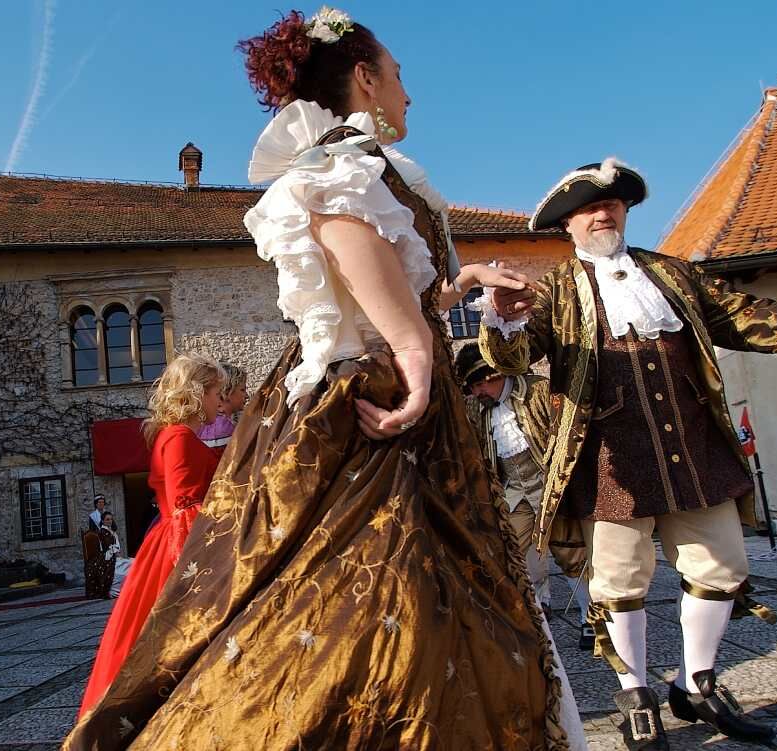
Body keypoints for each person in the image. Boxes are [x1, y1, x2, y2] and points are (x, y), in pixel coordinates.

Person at [64, 8, 584, 750]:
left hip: (395, 390)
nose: (409, 92)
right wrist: (415, 353)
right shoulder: (339, 164)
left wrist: (465, 283)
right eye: (398, 75)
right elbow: (343, 237)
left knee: (419, 593)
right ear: (365, 79)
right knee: (367, 596)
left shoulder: (376, 168)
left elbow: (399, 288)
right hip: (366, 399)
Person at [478, 158, 777, 748]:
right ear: (568, 224)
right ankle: (636, 695)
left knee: (721, 568)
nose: (602, 213)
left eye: (611, 203)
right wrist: (501, 321)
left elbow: (756, 319)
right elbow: (511, 360)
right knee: (618, 582)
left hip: (692, 449)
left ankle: (696, 685)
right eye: (588, 208)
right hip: (609, 461)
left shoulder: (674, 274)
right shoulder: (554, 290)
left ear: (625, 211)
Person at [76, 352, 223, 718]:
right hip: (176, 544)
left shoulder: (175, 435)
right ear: (197, 393)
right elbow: (185, 506)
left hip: (168, 538)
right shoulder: (178, 437)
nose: (219, 402)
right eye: (216, 393)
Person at [455, 342, 594, 645]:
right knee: (510, 554)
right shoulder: (478, 407)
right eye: (473, 387)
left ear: (496, 375)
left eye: (481, 384)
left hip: (551, 487)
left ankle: (590, 619)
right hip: (514, 492)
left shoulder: (538, 391)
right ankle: (531, 620)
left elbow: (568, 435)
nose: (477, 391)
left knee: (570, 553)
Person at [198, 363, 249, 458]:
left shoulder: (202, 425)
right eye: (242, 390)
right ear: (227, 391)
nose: (246, 396)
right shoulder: (224, 428)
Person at [84, 511, 121, 600]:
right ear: (103, 521)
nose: (110, 521)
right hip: (106, 556)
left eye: (111, 519)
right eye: (107, 519)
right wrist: (114, 551)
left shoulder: (111, 531)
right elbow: (107, 546)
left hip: (112, 555)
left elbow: (117, 546)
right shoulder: (102, 532)